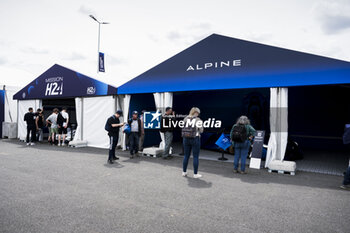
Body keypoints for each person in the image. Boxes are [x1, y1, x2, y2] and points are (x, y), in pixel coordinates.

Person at [182, 107, 204, 178]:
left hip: (186, 138)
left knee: (186, 156)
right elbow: (201, 130)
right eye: (198, 113)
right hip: (195, 138)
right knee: (195, 156)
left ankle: (184, 172)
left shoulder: (185, 118)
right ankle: (195, 174)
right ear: (196, 113)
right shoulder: (198, 120)